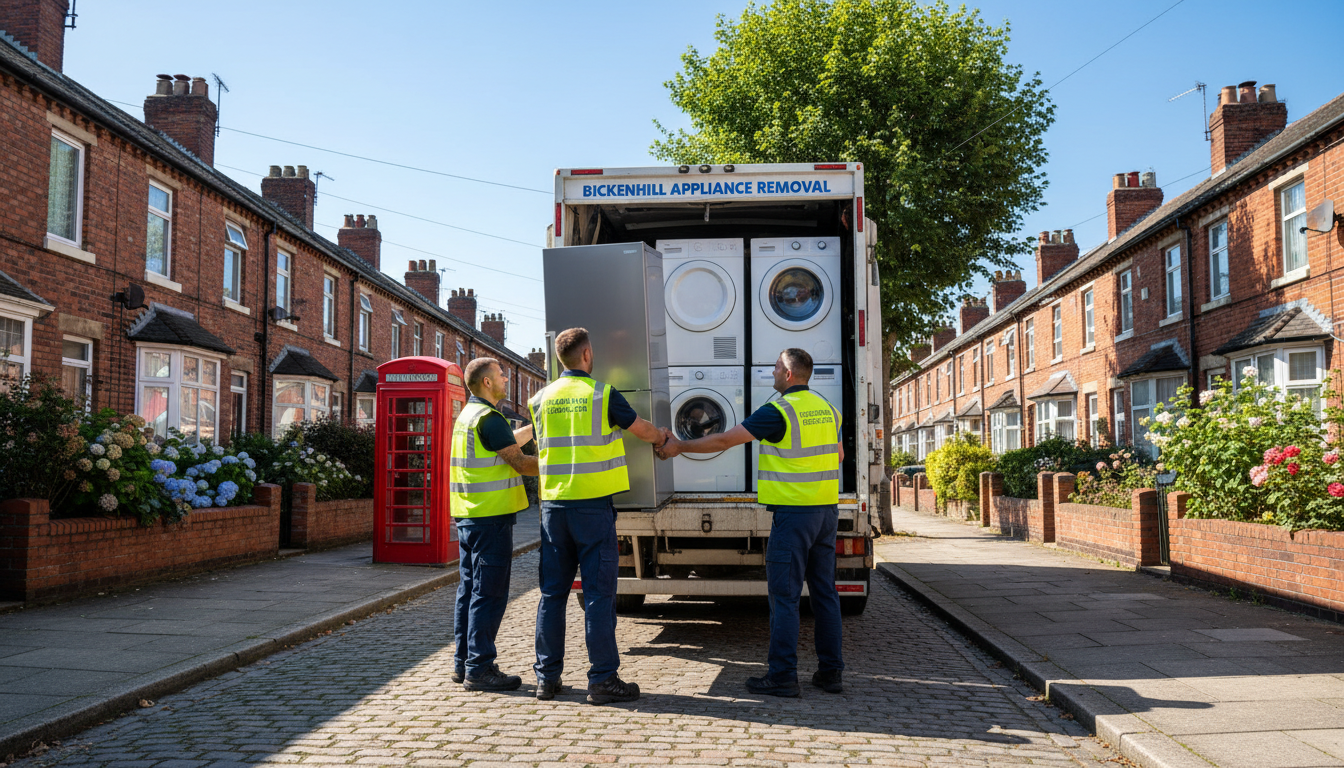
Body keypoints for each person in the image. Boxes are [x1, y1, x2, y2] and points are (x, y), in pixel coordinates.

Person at [657, 347, 844, 697]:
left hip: (793, 516)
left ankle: (783, 676)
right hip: (826, 513)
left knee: (784, 597)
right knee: (825, 594)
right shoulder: (829, 409)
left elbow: (727, 439)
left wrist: (680, 446)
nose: (771, 373)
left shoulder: (779, 411)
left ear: (789, 374)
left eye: (775, 367)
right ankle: (831, 673)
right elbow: (839, 455)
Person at [529, 327, 668, 705]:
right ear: (587, 355)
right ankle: (603, 680)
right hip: (592, 509)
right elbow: (641, 429)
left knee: (552, 596)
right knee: (598, 596)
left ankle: (547, 679)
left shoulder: (539, 399)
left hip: (554, 509)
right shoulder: (602, 394)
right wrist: (662, 437)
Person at [450, 357, 538, 692]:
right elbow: (520, 462)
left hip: (469, 516)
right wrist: (565, 464)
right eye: (502, 375)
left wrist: (533, 427)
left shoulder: (470, 416)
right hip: (492, 519)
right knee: (489, 594)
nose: (506, 379)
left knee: (470, 592)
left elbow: (502, 443)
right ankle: (480, 668)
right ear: (487, 382)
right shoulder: (490, 417)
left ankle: (463, 662)